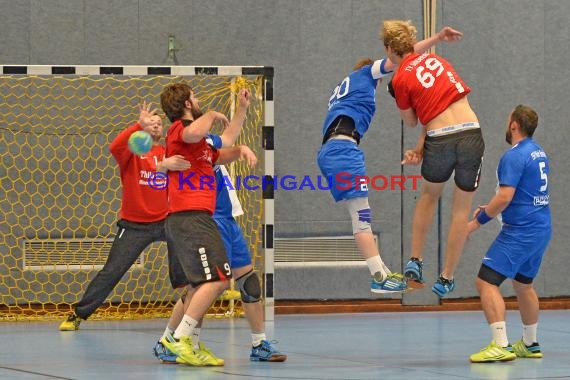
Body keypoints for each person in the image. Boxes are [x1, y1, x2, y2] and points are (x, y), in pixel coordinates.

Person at [317, 25, 463, 294]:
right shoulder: (366, 75)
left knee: (360, 217)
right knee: (361, 219)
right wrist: (437, 39)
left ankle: (381, 273)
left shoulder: (343, 89)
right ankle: (379, 277)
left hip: (331, 151)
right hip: (343, 151)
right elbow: (403, 56)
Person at [153, 88, 286, 363]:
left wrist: (241, 112)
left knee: (245, 281)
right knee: (207, 284)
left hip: (225, 217)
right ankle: (175, 340)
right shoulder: (184, 132)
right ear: (188, 103)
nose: (201, 102)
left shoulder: (205, 144)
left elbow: (225, 141)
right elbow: (189, 133)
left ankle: (259, 343)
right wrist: (213, 114)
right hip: (201, 218)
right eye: (196, 98)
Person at [59, 102, 191, 331]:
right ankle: (78, 314)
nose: (156, 126)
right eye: (151, 122)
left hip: (167, 220)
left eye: (160, 123)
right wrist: (138, 126)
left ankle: (194, 301)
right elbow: (114, 147)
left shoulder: (170, 151)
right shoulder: (133, 152)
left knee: (184, 257)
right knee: (113, 270)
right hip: (134, 225)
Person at [381, 19, 484, 297]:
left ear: (390, 48)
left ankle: (415, 259)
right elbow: (442, 105)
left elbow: (415, 120)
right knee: (460, 211)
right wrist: (420, 147)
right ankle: (447, 277)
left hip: (439, 137)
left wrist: (420, 146)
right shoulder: (438, 62)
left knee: (428, 197)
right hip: (471, 134)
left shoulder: (399, 79)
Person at [467, 105, 551, 363]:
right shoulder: (538, 152)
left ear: (514, 125)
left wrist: (477, 221)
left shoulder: (514, 155)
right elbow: (522, 193)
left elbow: (505, 196)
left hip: (520, 231)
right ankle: (530, 343)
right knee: (524, 284)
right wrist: (497, 206)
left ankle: (501, 345)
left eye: (507, 121)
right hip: (540, 227)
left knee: (486, 281)